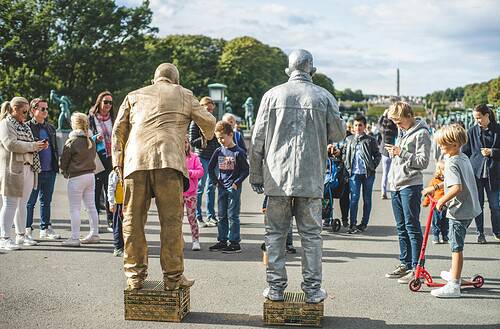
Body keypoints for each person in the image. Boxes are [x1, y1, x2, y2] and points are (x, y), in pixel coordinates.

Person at [250, 49, 345, 303]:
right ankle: (313, 290)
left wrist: (256, 175)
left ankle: (276, 288)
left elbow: (257, 140)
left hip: (277, 178)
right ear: (312, 70)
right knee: (312, 236)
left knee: (275, 235)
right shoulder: (324, 97)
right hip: (310, 178)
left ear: (288, 70)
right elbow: (338, 134)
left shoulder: (271, 95)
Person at [112, 63, 215, 291]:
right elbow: (208, 122)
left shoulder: (133, 95)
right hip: (169, 162)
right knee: (171, 224)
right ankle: (173, 278)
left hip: (134, 163)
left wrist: (117, 163)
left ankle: (134, 277)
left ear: (154, 79)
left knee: (132, 221)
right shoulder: (184, 94)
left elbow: (118, 131)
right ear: (175, 80)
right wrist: (206, 137)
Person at [423, 124, 481, 298]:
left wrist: (441, 200)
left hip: (459, 210)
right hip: (469, 208)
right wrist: (436, 187)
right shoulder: (462, 157)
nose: (440, 147)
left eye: (443, 144)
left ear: (455, 144)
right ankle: (454, 273)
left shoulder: (451, 162)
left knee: (456, 247)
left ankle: (454, 284)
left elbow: (456, 187)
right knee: (455, 244)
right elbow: (453, 181)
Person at [384, 101, 431, 284]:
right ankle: (405, 263)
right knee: (401, 226)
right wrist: (394, 154)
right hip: (396, 184)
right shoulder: (403, 131)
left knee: (411, 226)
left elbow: (423, 162)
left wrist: (401, 152)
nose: (397, 125)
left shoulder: (422, 133)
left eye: (398, 121)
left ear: (408, 116)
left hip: (410, 184)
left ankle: (417, 267)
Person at [0, 97, 47, 250]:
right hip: (12, 169)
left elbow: (27, 145)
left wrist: (38, 146)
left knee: (23, 204)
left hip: (28, 168)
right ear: (14, 109)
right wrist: (33, 145)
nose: (26, 115)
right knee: (10, 204)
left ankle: (21, 235)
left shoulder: (23, 126)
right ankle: (4, 237)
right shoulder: (6, 123)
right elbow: (10, 144)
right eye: (24, 111)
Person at [59, 112, 100, 247]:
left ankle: (74, 238)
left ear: (74, 124)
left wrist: (64, 171)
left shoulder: (72, 141)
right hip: (90, 176)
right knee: (91, 207)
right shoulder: (90, 140)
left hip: (76, 177)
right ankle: (94, 234)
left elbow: (64, 160)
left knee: (74, 209)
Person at [208, 121, 249, 253]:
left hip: (233, 188)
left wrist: (237, 182)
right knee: (221, 215)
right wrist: (215, 181)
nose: (220, 141)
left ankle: (234, 243)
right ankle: (222, 240)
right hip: (222, 188)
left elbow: (245, 170)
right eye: (218, 138)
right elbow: (210, 167)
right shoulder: (219, 151)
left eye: (222, 137)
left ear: (230, 135)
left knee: (233, 215)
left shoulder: (238, 152)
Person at [461, 104, 500, 243]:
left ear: (486, 115)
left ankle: (497, 231)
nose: (477, 120)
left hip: (494, 174)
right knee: (478, 206)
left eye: (479, 117)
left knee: (495, 206)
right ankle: (480, 233)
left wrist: (492, 152)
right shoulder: (471, 131)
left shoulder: (498, 129)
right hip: (476, 174)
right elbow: (465, 152)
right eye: (475, 118)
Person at [25, 98, 60, 240]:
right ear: (33, 110)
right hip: (34, 170)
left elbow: (55, 148)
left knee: (46, 201)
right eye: (42, 109)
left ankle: (45, 228)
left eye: (46, 108)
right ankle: (27, 229)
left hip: (50, 170)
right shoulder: (27, 127)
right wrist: (36, 145)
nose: (46, 111)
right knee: (30, 202)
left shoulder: (50, 128)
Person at [342, 114, 381, 233]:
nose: (358, 127)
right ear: (352, 127)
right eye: (356, 125)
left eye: (360, 125)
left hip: (367, 174)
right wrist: (346, 166)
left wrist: (372, 166)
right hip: (354, 174)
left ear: (364, 126)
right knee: (354, 198)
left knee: (367, 199)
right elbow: (344, 153)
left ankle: (364, 223)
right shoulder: (349, 139)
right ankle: (352, 224)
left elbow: (377, 155)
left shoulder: (370, 140)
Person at [189, 96, 219, 227]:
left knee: (211, 187)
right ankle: (198, 217)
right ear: (202, 108)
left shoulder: (213, 121)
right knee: (200, 187)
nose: (210, 112)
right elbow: (192, 141)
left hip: (214, 157)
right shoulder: (195, 122)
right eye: (208, 109)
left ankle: (211, 216)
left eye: (212, 110)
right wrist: (205, 139)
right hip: (201, 157)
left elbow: (218, 139)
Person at [89, 91, 114, 232]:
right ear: (99, 102)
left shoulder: (113, 118)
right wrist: (94, 138)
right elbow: (86, 136)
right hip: (97, 157)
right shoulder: (91, 118)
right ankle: (95, 221)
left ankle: (110, 220)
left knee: (110, 188)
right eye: (106, 102)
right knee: (96, 190)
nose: (108, 105)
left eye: (110, 102)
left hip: (111, 157)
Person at [183, 135, 204, 251]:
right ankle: (178, 240)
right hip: (177, 193)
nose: (184, 145)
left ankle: (195, 240)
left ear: (189, 144)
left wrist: (189, 172)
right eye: (181, 143)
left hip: (190, 193)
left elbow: (200, 172)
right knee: (177, 219)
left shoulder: (194, 157)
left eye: (185, 142)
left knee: (192, 218)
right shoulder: (174, 158)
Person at [422, 160, 448, 244]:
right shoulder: (434, 181)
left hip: (446, 204)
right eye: (444, 170)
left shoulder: (448, 180)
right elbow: (429, 193)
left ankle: (445, 236)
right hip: (436, 204)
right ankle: (436, 236)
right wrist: (426, 202)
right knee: (436, 221)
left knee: (445, 221)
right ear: (439, 171)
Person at [378, 109, 398, 199]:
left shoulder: (382, 129)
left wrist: (383, 114)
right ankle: (394, 190)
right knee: (393, 173)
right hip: (393, 151)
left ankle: (383, 192)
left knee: (385, 174)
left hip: (384, 152)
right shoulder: (394, 129)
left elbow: (379, 123)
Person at [107, 167, 124, 256]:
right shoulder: (115, 173)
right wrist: (111, 202)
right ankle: (118, 247)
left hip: (129, 203)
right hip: (120, 203)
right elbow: (111, 188)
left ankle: (127, 246)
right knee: (118, 226)